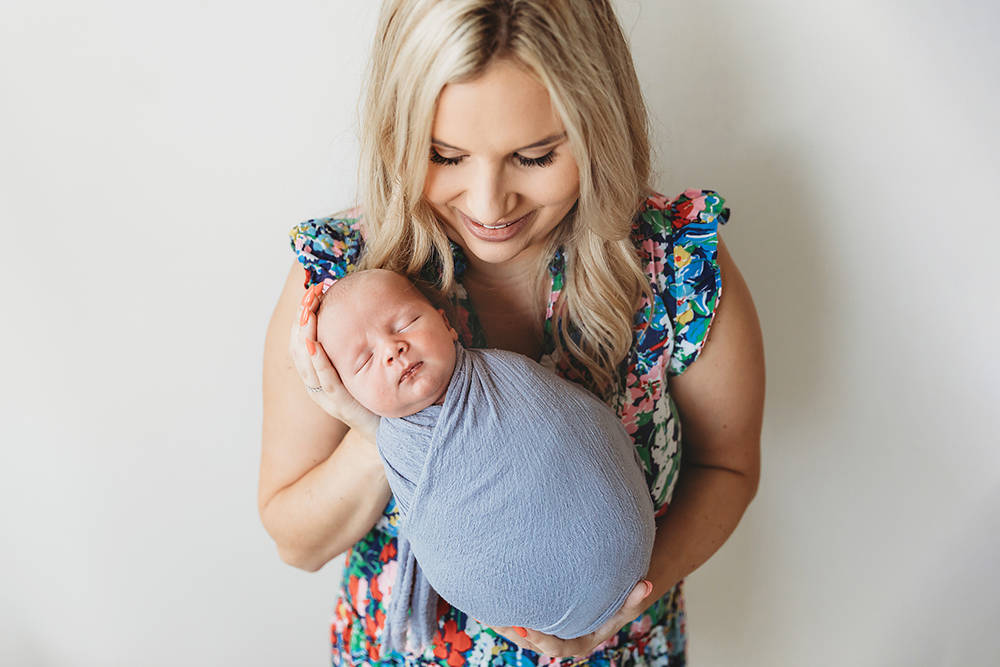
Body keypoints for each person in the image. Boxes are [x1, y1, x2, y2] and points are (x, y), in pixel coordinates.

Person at [260, 1, 765, 666]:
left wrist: (622, 604)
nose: (488, 202)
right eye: (444, 155)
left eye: (534, 156)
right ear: (397, 134)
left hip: (619, 647)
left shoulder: (675, 266)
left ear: (597, 127)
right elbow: (297, 542)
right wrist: (378, 426)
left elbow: (727, 467)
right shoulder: (342, 288)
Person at [313, 268, 656, 651]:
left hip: (630, 620)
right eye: (364, 360)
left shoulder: (506, 375)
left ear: (446, 323)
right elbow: (299, 545)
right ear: (345, 389)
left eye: (406, 323)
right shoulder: (397, 447)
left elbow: (581, 430)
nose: (393, 349)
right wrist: (365, 427)